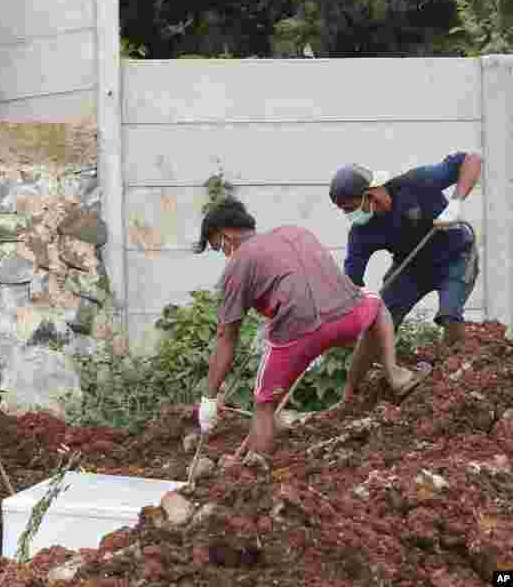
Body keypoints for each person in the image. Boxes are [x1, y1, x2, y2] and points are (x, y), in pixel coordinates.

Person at [193, 199, 425, 468]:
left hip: (296, 335)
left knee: (264, 406)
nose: (224, 254)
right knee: (377, 304)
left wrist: (209, 398)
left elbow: (226, 336)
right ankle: (391, 375)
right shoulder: (296, 232)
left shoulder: (238, 264)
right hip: (348, 315)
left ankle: (253, 474)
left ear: (225, 237)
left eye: (218, 247)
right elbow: (310, 281)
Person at [329, 152, 482, 365]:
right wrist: (345, 322)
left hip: (456, 258)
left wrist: (455, 203)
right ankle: (351, 394)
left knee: (450, 313)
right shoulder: (362, 232)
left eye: (350, 208)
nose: (350, 216)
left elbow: (471, 160)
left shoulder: (416, 183)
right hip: (411, 267)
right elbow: (351, 283)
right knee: (378, 326)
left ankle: (451, 370)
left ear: (371, 193)